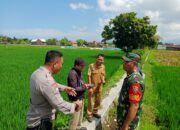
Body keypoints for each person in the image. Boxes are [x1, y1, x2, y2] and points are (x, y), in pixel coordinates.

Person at [26, 50, 82, 130]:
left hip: (33, 120)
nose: (61, 66)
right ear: (55, 64)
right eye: (61, 64)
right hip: (41, 124)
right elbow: (59, 104)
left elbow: (48, 86)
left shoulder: (37, 73)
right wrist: (76, 105)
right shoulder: (46, 80)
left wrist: (64, 88)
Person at [117, 53, 145, 130]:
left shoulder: (134, 81)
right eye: (124, 61)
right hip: (124, 118)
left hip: (128, 123)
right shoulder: (131, 76)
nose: (124, 64)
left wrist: (125, 126)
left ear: (134, 63)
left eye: (127, 62)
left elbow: (134, 105)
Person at [68, 58, 92, 130]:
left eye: (84, 66)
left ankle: (78, 128)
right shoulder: (72, 73)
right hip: (75, 99)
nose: (83, 67)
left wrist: (85, 85)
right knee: (74, 120)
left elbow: (81, 83)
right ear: (76, 65)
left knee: (79, 118)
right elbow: (74, 88)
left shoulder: (79, 72)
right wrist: (85, 87)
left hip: (80, 97)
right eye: (82, 66)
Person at [87, 54, 106, 122]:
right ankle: (89, 115)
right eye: (99, 59)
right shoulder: (91, 66)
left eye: (102, 60)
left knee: (98, 100)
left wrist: (103, 80)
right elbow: (89, 76)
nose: (100, 61)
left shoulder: (103, 67)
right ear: (96, 59)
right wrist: (90, 86)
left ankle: (95, 112)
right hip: (93, 86)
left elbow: (103, 75)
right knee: (91, 101)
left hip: (99, 86)